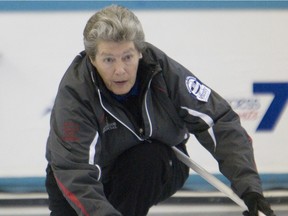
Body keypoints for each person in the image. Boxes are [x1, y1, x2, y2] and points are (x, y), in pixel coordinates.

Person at [45, 5, 275, 216]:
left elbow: (218, 121)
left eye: (127, 57)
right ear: (92, 59)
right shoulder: (75, 94)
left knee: (149, 158)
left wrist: (250, 190)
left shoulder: (164, 73)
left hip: (150, 166)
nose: (120, 70)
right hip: (74, 178)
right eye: (108, 60)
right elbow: (73, 169)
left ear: (140, 52)